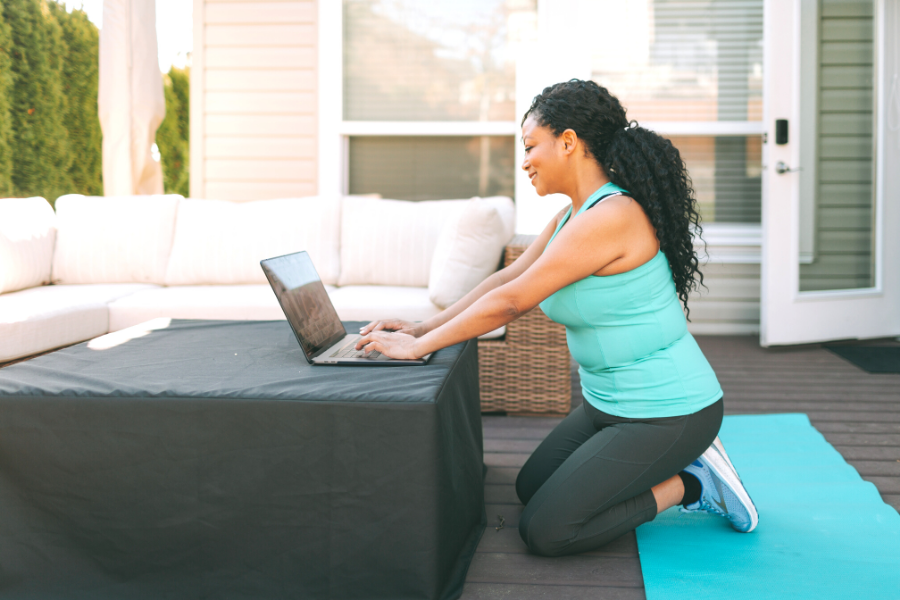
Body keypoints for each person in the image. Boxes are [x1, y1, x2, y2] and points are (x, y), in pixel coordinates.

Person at [355, 79, 758, 556]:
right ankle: (661, 470)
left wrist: (420, 349)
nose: (524, 161)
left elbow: (513, 303)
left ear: (568, 142)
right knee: (532, 488)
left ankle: (693, 483)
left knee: (547, 529)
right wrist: (420, 326)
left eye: (530, 146)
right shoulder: (573, 216)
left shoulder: (614, 215)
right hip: (607, 406)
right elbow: (504, 282)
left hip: (667, 411)